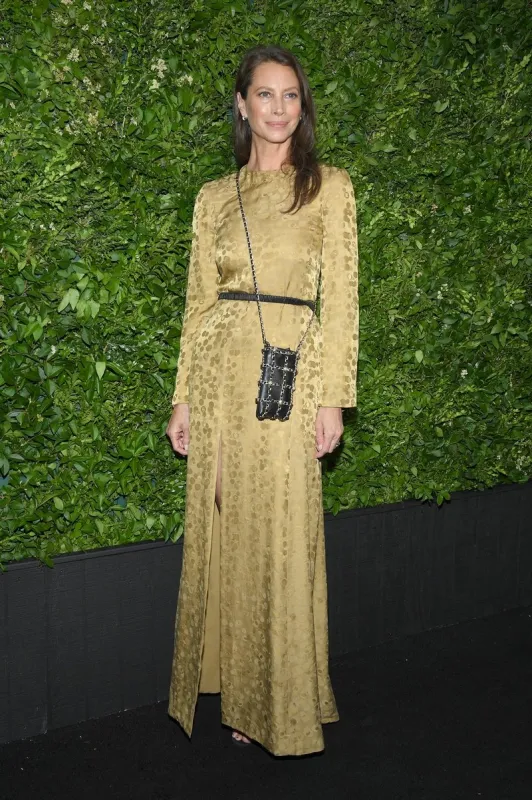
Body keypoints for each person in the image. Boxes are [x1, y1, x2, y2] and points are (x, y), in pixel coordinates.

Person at [166, 44, 359, 757]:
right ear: (242, 104)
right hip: (219, 378)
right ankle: (236, 692)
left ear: (301, 107)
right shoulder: (213, 197)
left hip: (287, 377)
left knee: (278, 539)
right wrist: (183, 396)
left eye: (291, 96)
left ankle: (282, 701)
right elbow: (195, 304)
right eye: (265, 95)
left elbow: (340, 301)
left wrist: (334, 397)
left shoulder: (329, 187)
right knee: (226, 533)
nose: (279, 107)